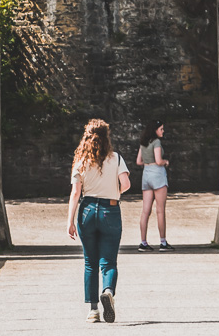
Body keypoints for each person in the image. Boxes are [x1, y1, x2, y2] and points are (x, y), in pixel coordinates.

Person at [67, 118, 131, 324]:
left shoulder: (80, 161)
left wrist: (70, 221)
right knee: (109, 261)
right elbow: (127, 184)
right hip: (110, 210)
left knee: (89, 263)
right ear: (106, 138)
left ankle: (93, 310)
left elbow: (75, 193)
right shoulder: (116, 158)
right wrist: (114, 191)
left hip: (86, 211)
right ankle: (108, 291)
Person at [136, 118, 172, 251]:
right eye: (161, 129)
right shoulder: (156, 142)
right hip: (157, 175)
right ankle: (163, 242)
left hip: (146, 175)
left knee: (145, 211)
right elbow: (158, 160)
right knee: (160, 211)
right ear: (155, 130)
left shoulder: (143, 143)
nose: (163, 131)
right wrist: (165, 162)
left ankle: (143, 243)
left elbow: (138, 161)